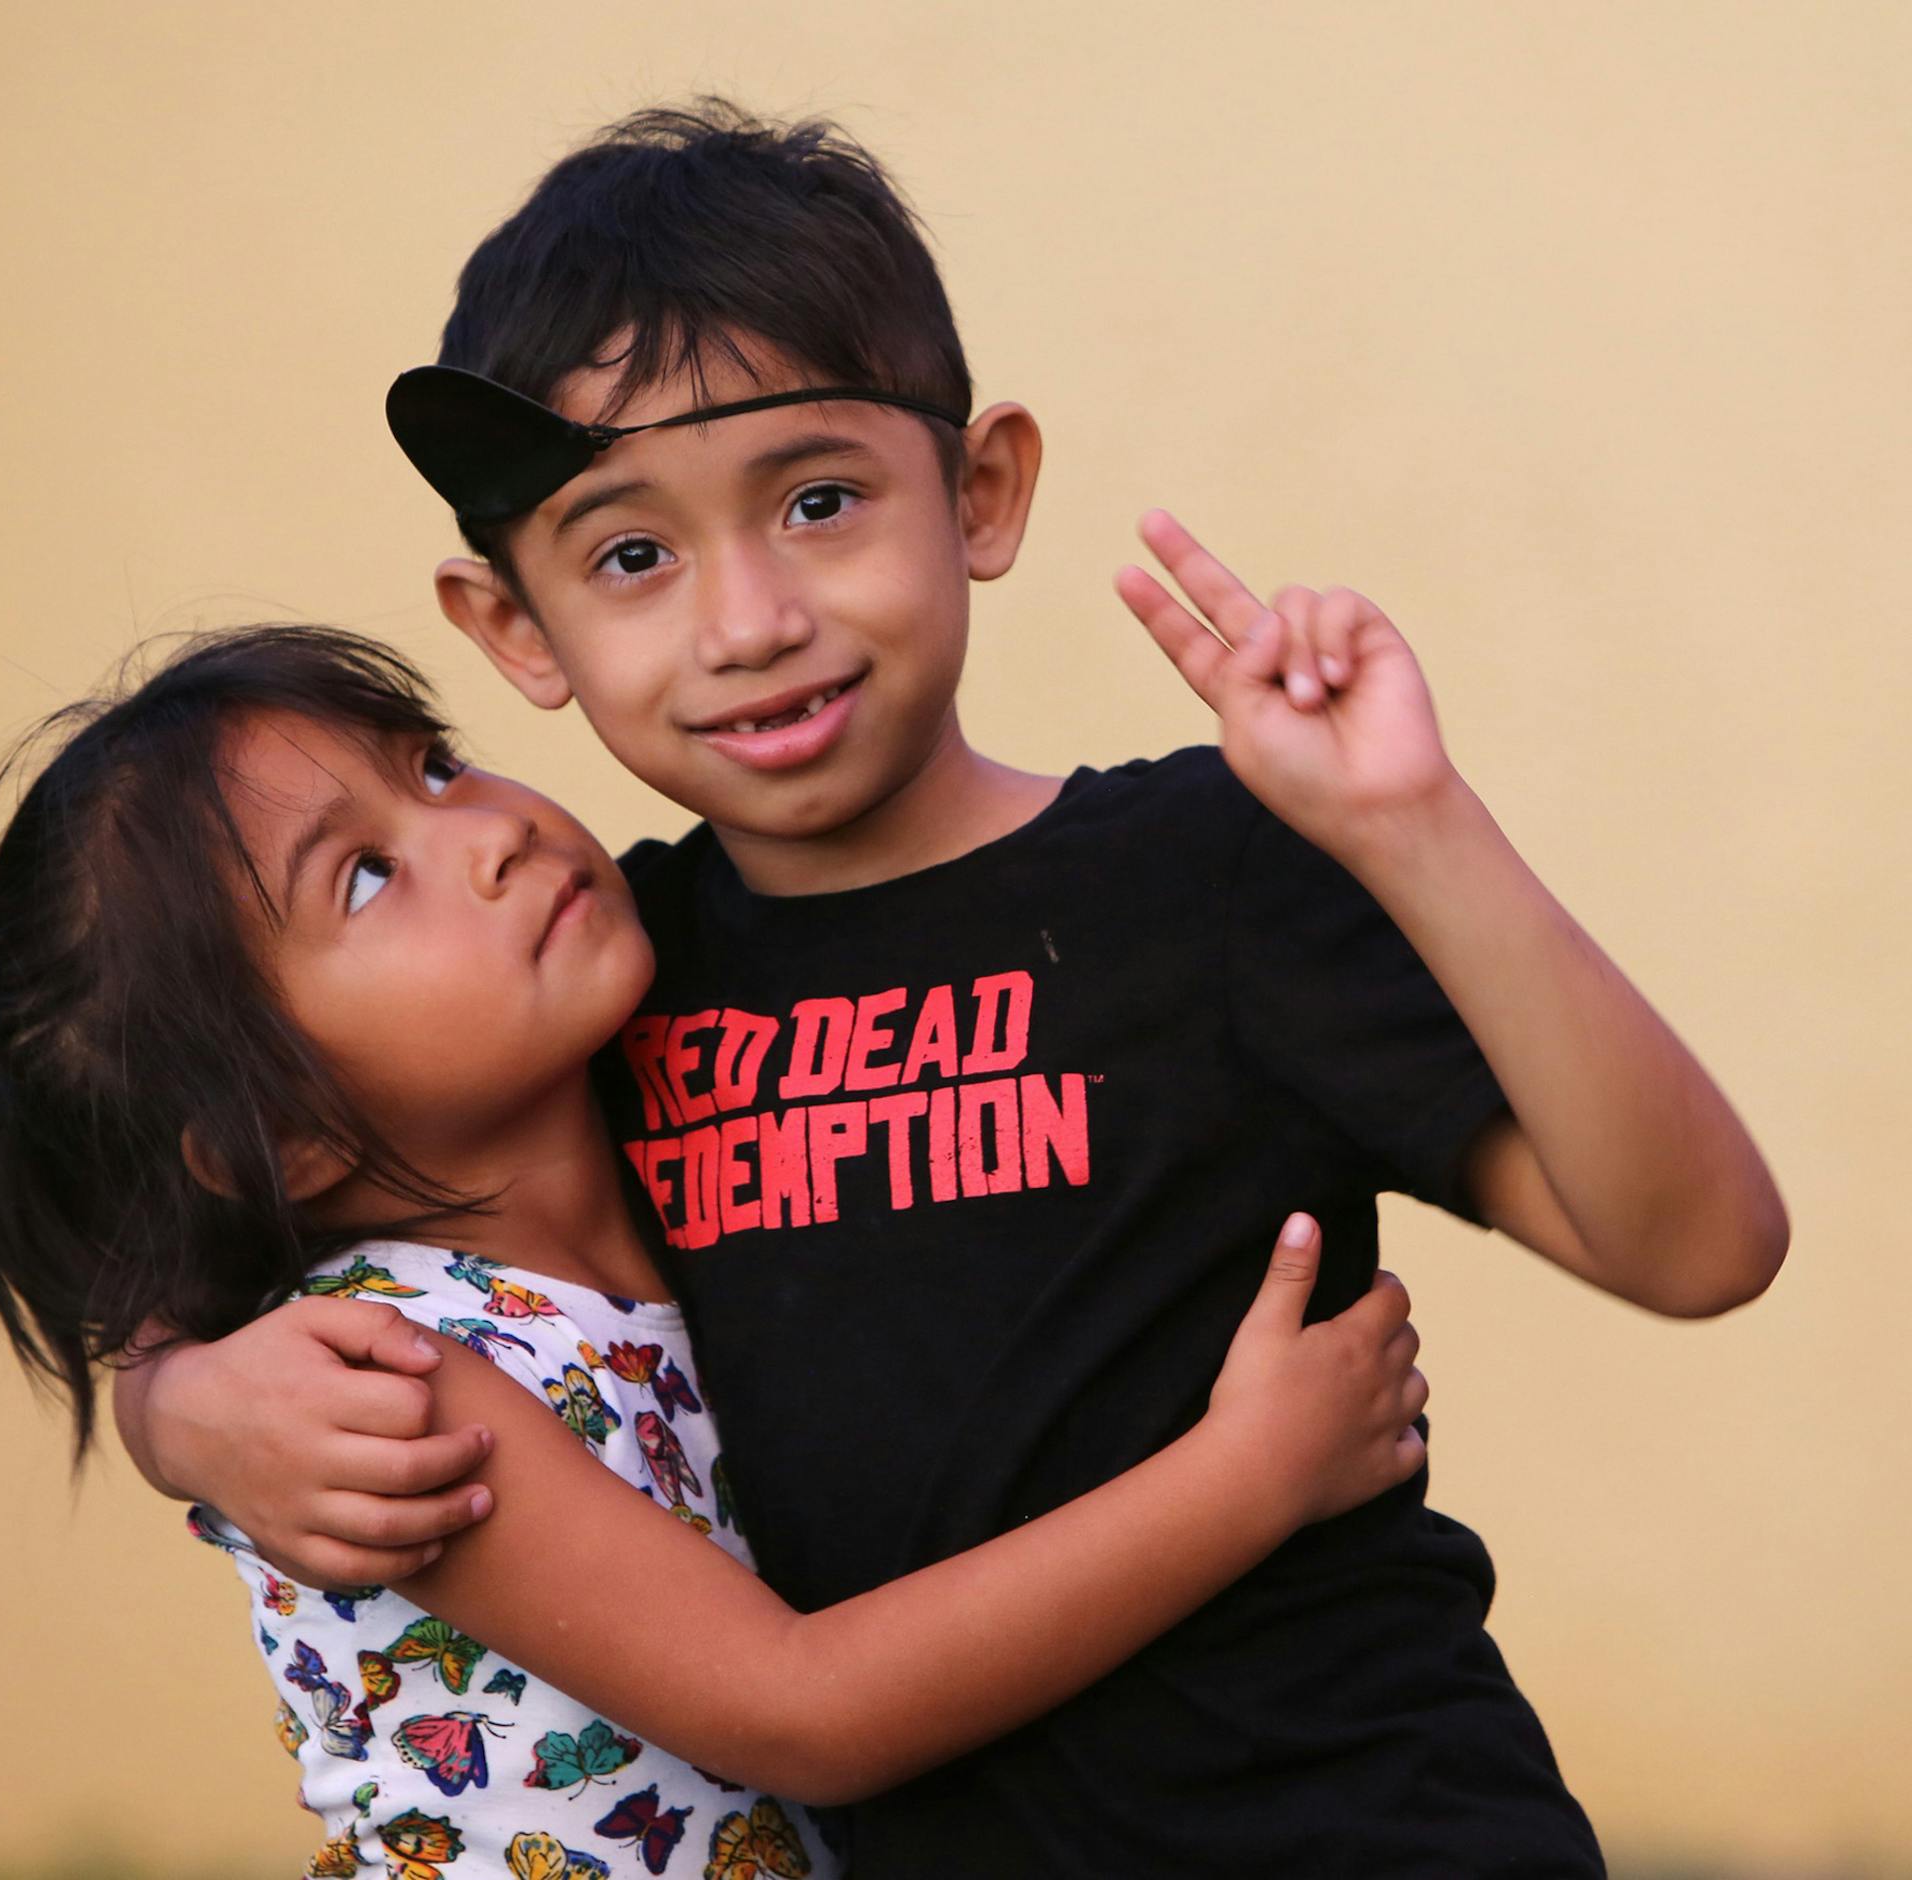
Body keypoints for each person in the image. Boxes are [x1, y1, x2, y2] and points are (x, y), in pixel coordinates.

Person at [120, 105, 1789, 1874]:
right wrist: (182, 1406)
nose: (748, 616)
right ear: (515, 628)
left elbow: (1694, 1245)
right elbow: (241, 1189)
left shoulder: (1208, 873)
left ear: (978, 493)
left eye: (821, 502)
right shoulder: (598, 985)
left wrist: (1415, 830)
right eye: (632, 556)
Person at [0, 625, 1435, 1878]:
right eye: (369, 878)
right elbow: (804, 1711)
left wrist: (166, 1399)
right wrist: (1248, 1477)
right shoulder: (400, 1387)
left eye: (436, 766)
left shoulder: (675, 1132)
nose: (492, 831)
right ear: (291, 1138)